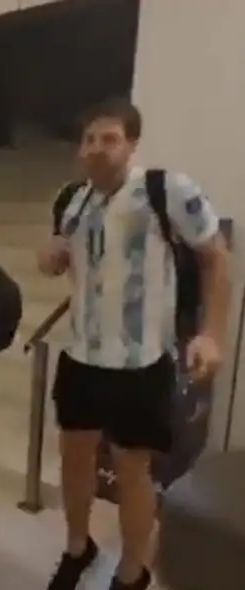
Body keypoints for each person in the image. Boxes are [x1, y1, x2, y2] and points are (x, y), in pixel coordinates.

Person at [37, 99, 230, 590]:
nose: (97, 149)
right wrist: (51, 256)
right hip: (81, 355)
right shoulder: (72, 199)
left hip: (141, 362)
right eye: (89, 140)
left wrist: (211, 333)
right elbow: (58, 262)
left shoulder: (166, 191)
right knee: (75, 460)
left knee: (132, 471)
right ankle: (79, 547)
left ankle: (133, 571)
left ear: (132, 143)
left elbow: (216, 257)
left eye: (110, 139)